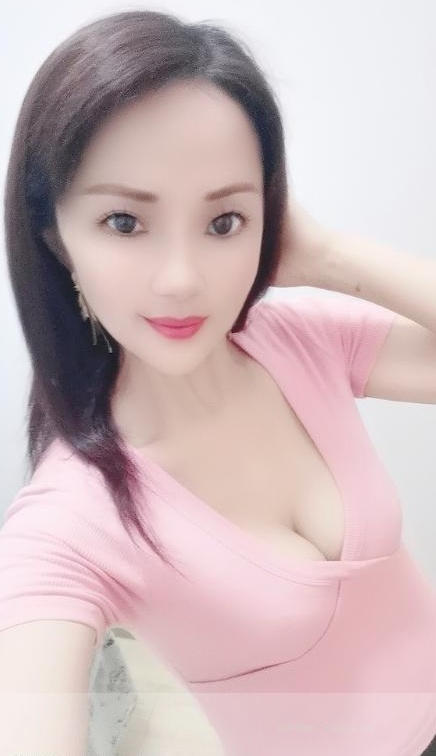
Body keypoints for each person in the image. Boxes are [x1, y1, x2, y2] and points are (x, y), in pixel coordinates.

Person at [1, 8, 436, 756]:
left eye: (224, 221)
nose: (182, 279)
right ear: (56, 237)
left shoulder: (294, 340)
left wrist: (327, 256)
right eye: (124, 222)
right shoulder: (70, 519)